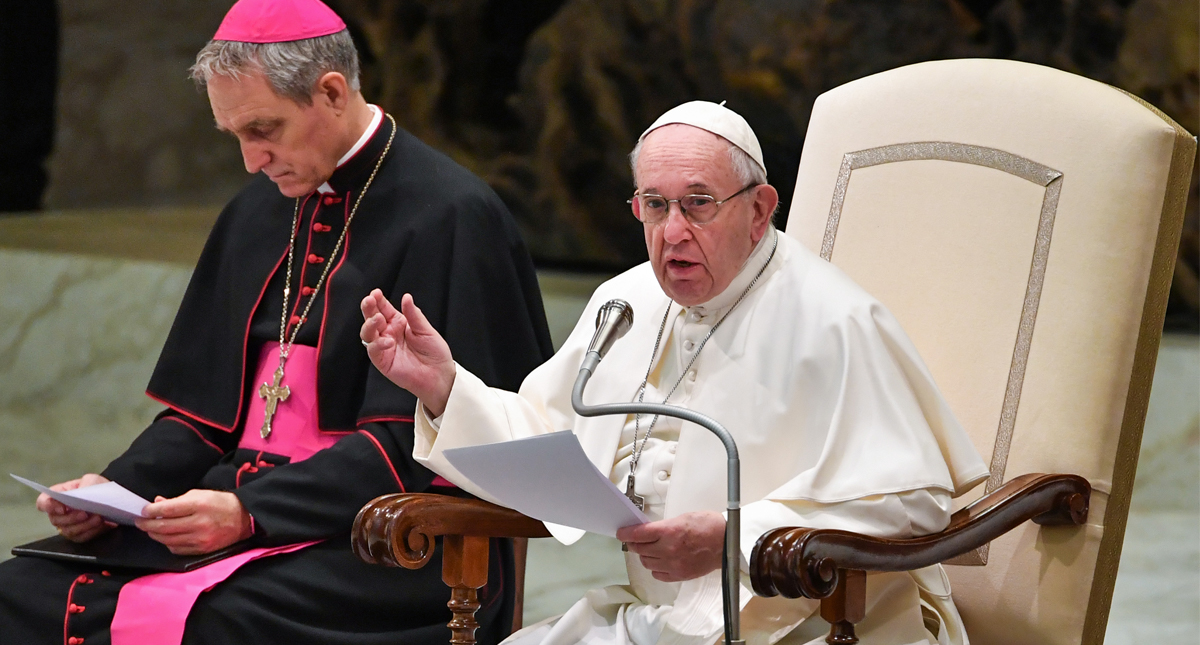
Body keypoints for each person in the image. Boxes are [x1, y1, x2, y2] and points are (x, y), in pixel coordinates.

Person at [0, 0, 552, 643]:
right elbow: (201, 421)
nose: (250, 160)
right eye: (234, 135)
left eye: (264, 129)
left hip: (385, 542)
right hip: (234, 517)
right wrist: (113, 490)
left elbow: (414, 446)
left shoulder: (452, 217)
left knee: (214, 621)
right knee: (19, 593)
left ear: (332, 92)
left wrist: (248, 513)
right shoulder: (255, 213)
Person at [361, 101, 989, 645]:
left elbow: (913, 500)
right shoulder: (627, 302)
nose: (673, 232)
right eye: (655, 206)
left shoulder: (835, 319)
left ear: (759, 209)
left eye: (698, 204)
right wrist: (443, 387)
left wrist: (731, 538)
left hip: (810, 622)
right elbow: (547, 439)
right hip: (659, 620)